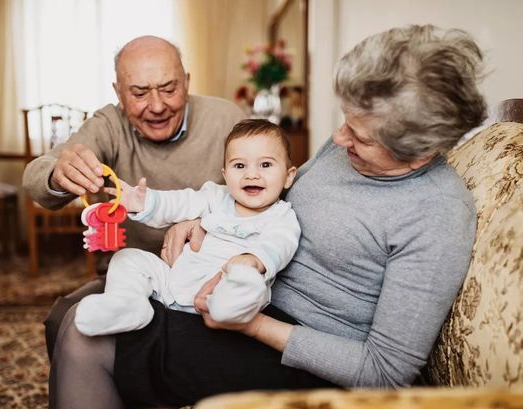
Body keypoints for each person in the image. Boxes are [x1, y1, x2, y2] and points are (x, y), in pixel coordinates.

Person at [49, 24, 487, 409]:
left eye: (360, 136)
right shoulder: (348, 148)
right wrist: (207, 221)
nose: (338, 138)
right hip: (244, 290)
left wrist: (255, 325)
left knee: (87, 340)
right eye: (346, 121)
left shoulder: (437, 214)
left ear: (421, 152)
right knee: (81, 312)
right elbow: (275, 203)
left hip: (296, 349)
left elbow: (385, 372)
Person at [22, 36, 246, 358]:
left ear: (186, 82)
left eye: (169, 89)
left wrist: (209, 222)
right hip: (131, 277)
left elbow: (270, 189)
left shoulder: (227, 119)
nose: (156, 106)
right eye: (139, 93)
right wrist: (59, 173)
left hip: (212, 273)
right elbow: (36, 173)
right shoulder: (109, 124)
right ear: (118, 93)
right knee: (63, 322)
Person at [75, 119, 299, 336]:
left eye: (266, 165)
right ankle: (128, 305)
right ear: (225, 174)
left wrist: (253, 259)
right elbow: (180, 202)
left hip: (224, 289)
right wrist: (144, 202)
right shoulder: (215, 196)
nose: (251, 174)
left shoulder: (282, 216)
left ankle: (228, 308)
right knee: (128, 259)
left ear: (288, 176)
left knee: (248, 284)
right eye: (239, 165)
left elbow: (280, 244)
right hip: (174, 282)